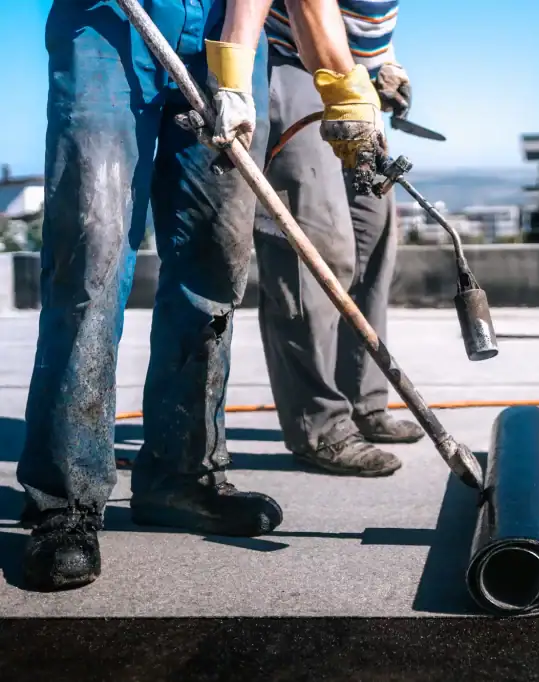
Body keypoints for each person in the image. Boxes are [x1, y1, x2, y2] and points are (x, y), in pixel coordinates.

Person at [17, 0, 387, 592]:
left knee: (214, 261)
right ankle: (65, 501)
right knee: (93, 250)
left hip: (221, 31)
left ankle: (181, 476)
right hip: (111, 27)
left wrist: (336, 88)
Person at [255, 0, 424, 479]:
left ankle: (363, 401)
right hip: (292, 64)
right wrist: (345, 78)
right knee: (312, 250)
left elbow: (364, 16)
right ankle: (320, 427)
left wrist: (382, 64)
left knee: (373, 241)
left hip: (352, 79)